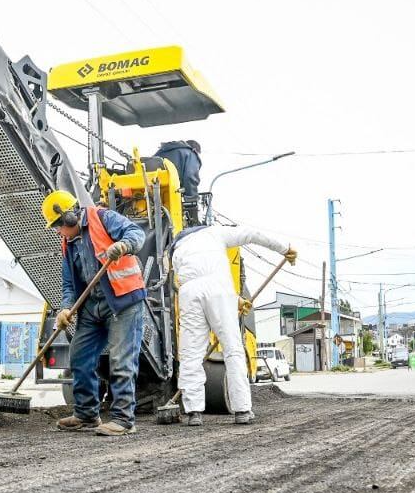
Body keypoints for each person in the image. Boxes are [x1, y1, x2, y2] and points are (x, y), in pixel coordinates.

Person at [43, 189, 147, 436]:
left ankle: (124, 420)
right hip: (92, 306)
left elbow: (137, 233)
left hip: (123, 300)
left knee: (121, 361)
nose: (58, 231)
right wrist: (66, 307)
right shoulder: (68, 243)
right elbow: (69, 283)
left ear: (69, 217)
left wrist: (124, 245)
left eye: (59, 225)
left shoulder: (103, 218)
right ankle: (87, 415)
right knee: (79, 357)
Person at [171, 224, 296, 426]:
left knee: (191, 353)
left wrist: (235, 300)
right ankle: (242, 410)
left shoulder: (177, 249)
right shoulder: (214, 232)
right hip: (219, 288)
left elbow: (197, 280)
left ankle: (194, 412)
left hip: (189, 292)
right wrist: (285, 248)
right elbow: (252, 233)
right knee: (233, 349)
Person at [153, 140, 203, 224]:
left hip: (152, 197)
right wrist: (192, 201)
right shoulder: (191, 153)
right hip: (172, 197)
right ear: (194, 149)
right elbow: (190, 177)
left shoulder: (160, 152)